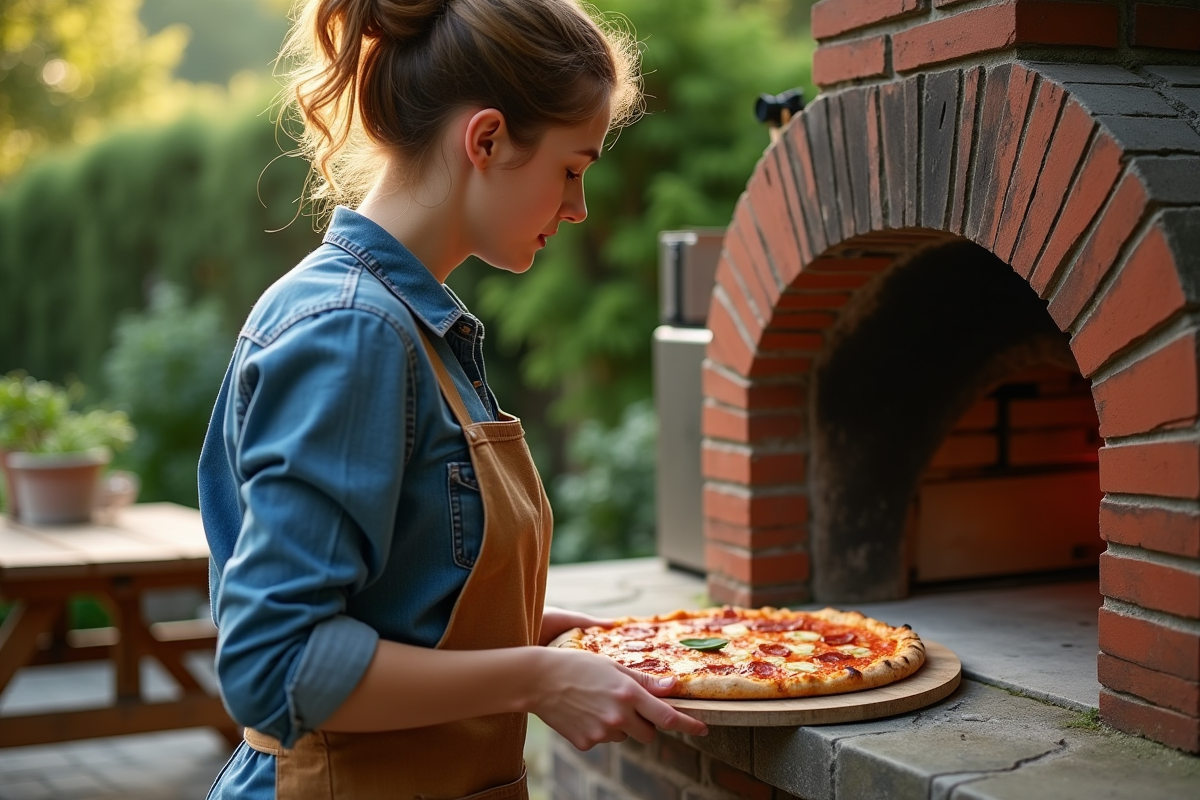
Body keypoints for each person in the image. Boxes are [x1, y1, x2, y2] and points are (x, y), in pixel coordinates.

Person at [197, 0, 708, 798]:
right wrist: (533, 679)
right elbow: (278, 665)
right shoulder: (354, 332)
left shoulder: (409, 325)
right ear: (488, 139)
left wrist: (527, 638)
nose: (578, 208)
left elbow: (388, 598)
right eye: (572, 170)